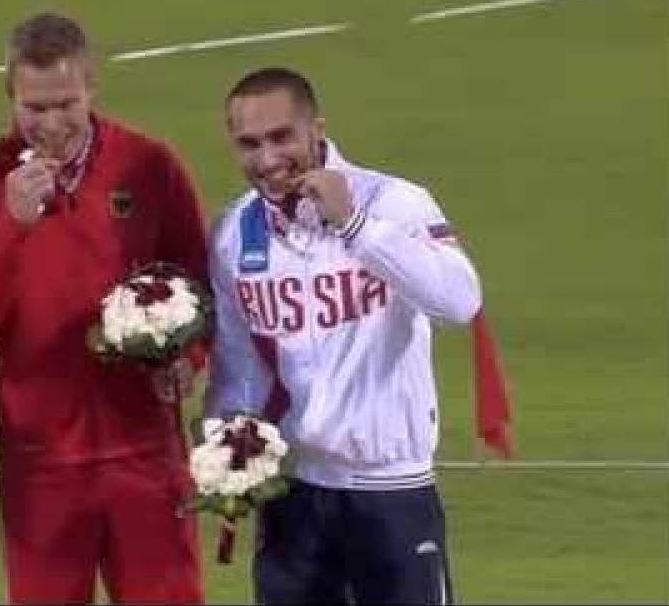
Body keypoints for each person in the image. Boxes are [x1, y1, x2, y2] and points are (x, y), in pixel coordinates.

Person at [0, 12, 208, 604]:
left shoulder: (149, 167)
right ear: (10, 95)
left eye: (66, 103)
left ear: (91, 87)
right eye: (34, 109)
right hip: (41, 469)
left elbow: (200, 283)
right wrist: (11, 226)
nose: (52, 124)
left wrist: (191, 357)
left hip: (146, 456)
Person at [205, 66, 496, 604]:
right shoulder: (233, 232)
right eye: (249, 143)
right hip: (293, 494)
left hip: (392, 489)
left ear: (317, 129)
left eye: (281, 137)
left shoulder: (395, 202)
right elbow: (239, 361)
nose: (267, 159)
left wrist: (357, 226)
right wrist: (226, 443)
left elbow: (460, 300)